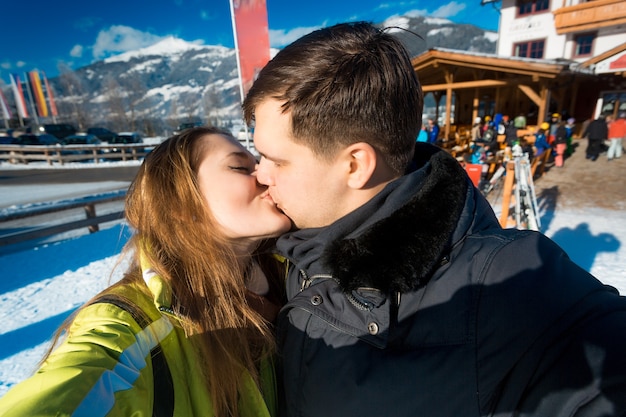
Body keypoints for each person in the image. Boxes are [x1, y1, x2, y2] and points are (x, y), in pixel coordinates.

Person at [242, 21, 626, 416]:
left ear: (354, 165)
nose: (260, 173)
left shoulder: (504, 285)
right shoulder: (298, 244)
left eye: (276, 159)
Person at [0, 127, 292, 416]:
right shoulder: (135, 329)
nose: (266, 175)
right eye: (241, 167)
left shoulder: (299, 274)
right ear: (180, 201)